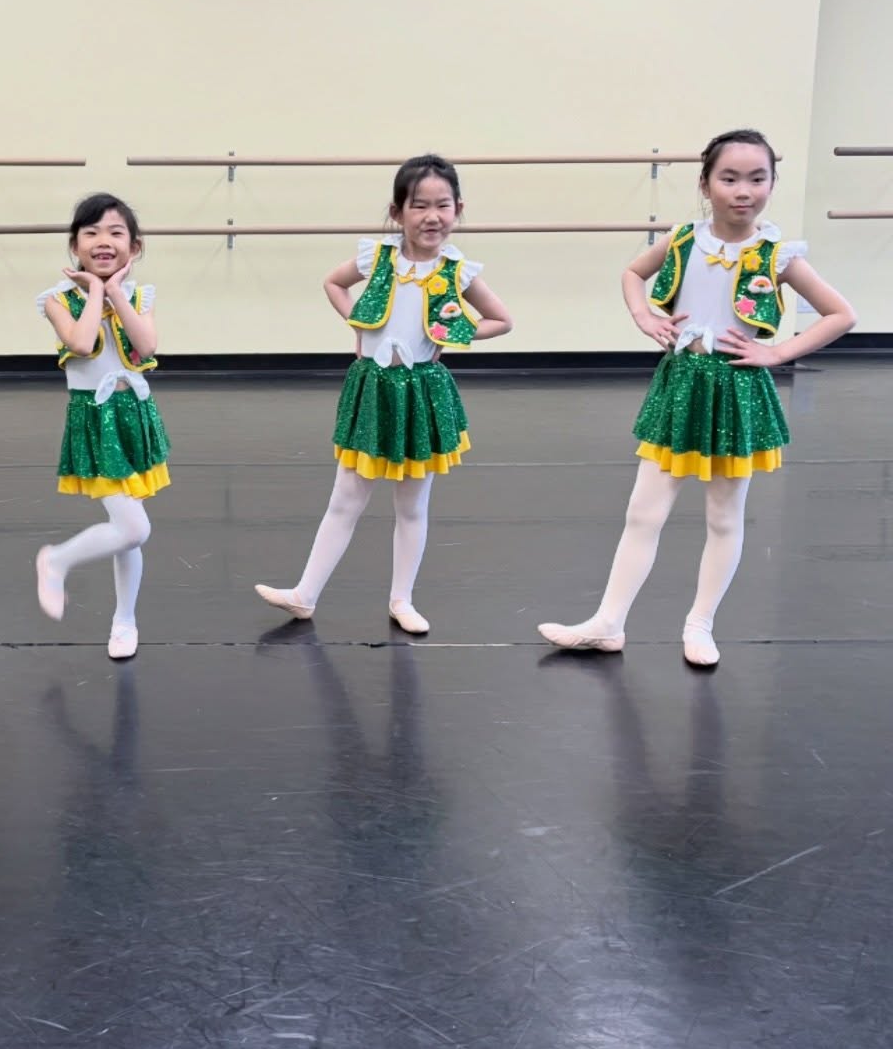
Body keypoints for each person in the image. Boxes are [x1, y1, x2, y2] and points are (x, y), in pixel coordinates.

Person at [539, 129, 856, 665]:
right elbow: (634, 273)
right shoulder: (685, 238)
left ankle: (700, 624)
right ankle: (608, 622)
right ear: (705, 184)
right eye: (729, 178)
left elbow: (841, 314)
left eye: (757, 179)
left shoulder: (778, 255)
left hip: (736, 391)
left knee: (725, 517)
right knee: (643, 512)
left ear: (772, 184)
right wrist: (644, 317)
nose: (743, 191)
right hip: (681, 385)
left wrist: (777, 353)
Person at [254, 154, 511, 633]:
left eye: (443, 205)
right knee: (345, 497)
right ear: (398, 212)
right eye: (419, 205)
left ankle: (402, 599)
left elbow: (502, 320)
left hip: (420, 393)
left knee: (412, 505)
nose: (431, 216)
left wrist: (453, 333)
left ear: (458, 209)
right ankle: (304, 593)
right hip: (372, 387)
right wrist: (358, 320)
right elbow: (333, 283)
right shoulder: (379, 257)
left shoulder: (459, 271)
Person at [34, 193, 168, 660]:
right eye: (91, 233)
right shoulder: (56, 299)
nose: (103, 241)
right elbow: (82, 339)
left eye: (115, 233)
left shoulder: (140, 294)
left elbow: (145, 344)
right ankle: (57, 560)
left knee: (125, 527)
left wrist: (115, 293)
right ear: (75, 245)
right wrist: (94, 291)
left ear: (135, 246)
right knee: (133, 527)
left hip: (133, 416)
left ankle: (124, 620)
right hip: (95, 418)